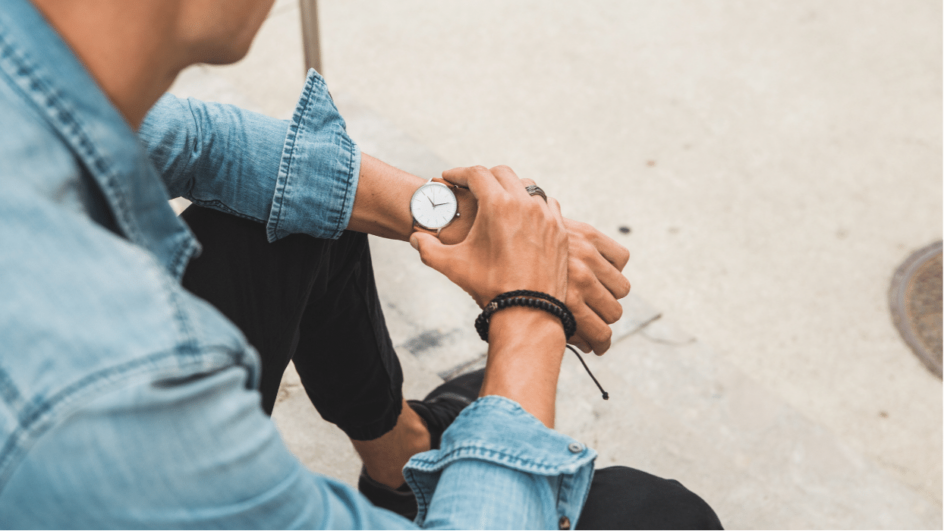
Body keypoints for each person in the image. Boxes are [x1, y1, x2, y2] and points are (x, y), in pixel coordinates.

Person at [0, 0, 723, 529]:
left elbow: (195, 143)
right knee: (656, 516)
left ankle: (397, 464)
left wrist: (446, 213)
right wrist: (532, 312)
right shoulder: (117, 392)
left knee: (290, 214)